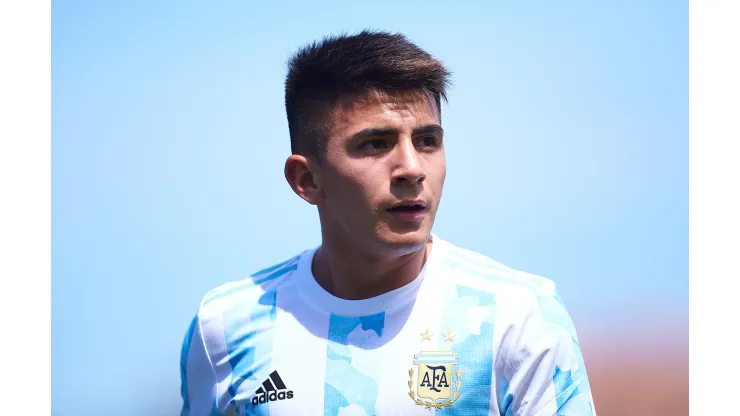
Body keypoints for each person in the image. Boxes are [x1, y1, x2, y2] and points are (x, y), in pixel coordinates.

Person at [179, 30, 596, 416]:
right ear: (307, 180)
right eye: (375, 144)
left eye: (427, 141)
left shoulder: (518, 317)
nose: (412, 169)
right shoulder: (225, 325)